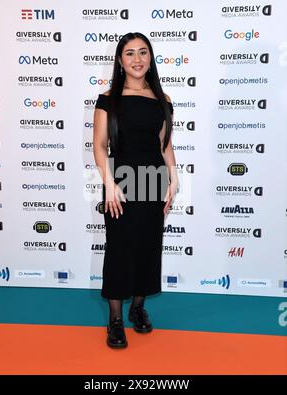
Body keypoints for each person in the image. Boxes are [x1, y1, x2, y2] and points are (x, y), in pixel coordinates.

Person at [93, 32, 178, 348]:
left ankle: (138, 309)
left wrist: (174, 177)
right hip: (121, 180)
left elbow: (165, 144)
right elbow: (99, 146)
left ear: (151, 58)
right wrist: (109, 184)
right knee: (118, 247)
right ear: (120, 60)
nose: (137, 59)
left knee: (148, 244)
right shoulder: (108, 99)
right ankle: (115, 320)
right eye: (130, 53)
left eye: (143, 52)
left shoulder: (163, 100)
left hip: (153, 179)